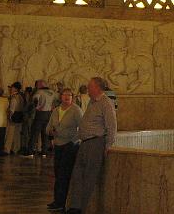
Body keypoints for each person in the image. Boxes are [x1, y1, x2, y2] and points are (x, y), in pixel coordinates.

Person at [66, 76, 117, 214]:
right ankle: (74, 206)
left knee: (89, 177)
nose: (87, 88)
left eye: (90, 86)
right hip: (85, 142)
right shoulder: (92, 102)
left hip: (96, 142)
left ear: (97, 88)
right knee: (77, 174)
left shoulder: (106, 103)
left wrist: (108, 146)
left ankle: (82, 208)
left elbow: (111, 125)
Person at [46, 88, 83, 212]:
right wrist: (50, 131)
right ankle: (57, 200)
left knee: (64, 174)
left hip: (70, 145)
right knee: (58, 173)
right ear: (60, 96)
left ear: (72, 97)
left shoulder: (76, 110)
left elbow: (82, 128)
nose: (67, 97)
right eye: (64, 95)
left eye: (69, 95)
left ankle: (63, 202)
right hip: (58, 144)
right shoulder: (56, 110)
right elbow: (48, 127)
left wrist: (73, 141)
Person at [31, 80, 56, 156]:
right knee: (45, 133)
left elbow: (35, 100)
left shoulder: (39, 92)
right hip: (49, 114)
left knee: (35, 133)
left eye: (37, 85)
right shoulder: (52, 92)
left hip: (40, 113)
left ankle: (30, 151)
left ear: (40, 85)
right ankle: (44, 151)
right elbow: (55, 102)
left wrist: (37, 107)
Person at [5, 82, 24, 154]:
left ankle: (7, 149)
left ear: (15, 88)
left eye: (12, 87)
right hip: (20, 116)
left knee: (10, 134)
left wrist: (9, 116)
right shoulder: (21, 97)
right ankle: (16, 149)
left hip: (14, 116)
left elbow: (12, 109)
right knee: (17, 134)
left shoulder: (14, 97)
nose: (10, 89)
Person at [20, 86, 36, 155]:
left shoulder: (31, 102)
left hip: (29, 119)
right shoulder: (27, 100)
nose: (25, 94)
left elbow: (31, 111)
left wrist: (28, 118)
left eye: (26, 93)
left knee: (28, 134)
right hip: (27, 119)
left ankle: (28, 148)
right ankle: (25, 148)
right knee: (25, 134)